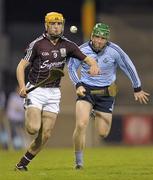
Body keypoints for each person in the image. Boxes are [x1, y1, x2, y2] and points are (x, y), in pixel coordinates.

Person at [15, 12, 99, 171]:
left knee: (45, 135)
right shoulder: (37, 44)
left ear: (62, 25)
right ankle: (31, 111)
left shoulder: (68, 45)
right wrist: (22, 87)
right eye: (53, 24)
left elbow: (87, 58)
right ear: (46, 26)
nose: (56, 27)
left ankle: (22, 164)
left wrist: (93, 64)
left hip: (54, 93)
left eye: (59, 24)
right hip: (35, 90)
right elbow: (20, 67)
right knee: (33, 129)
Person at [68, 23, 150, 169]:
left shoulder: (115, 51)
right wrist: (78, 84)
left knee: (103, 133)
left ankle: (94, 112)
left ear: (107, 40)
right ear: (92, 36)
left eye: (102, 38)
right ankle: (78, 161)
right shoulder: (82, 50)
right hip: (86, 90)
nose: (99, 41)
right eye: (97, 37)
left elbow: (129, 66)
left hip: (106, 93)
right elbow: (71, 68)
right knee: (81, 124)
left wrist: (137, 88)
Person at [6, 86, 26, 150]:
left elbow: (23, 107)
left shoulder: (23, 98)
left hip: (20, 118)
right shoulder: (13, 96)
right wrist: (23, 108)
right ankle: (15, 147)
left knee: (21, 132)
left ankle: (21, 146)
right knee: (14, 133)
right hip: (13, 118)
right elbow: (18, 107)